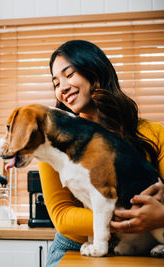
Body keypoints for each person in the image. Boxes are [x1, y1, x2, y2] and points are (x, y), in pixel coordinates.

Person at [38, 40, 164, 266]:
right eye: (56, 82)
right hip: (76, 248)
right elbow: (62, 216)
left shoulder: (154, 134)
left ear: (94, 70)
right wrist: (130, 218)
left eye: (69, 74)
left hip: (147, 246)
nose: (62, 87)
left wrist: (161, 216)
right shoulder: (54, 144)